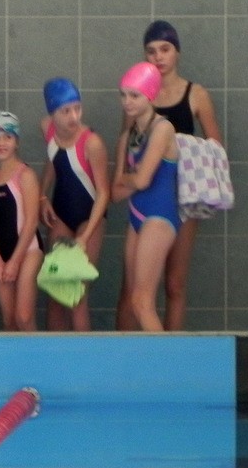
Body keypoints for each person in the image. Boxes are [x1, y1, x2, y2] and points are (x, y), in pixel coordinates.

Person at [116, 20, 223, 331]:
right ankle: (128, 353)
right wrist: (129, 179)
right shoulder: (136, 96)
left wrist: (180, 153)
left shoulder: (195, 94)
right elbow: (128, 145)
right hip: (145, 198)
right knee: (132, 290)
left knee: (174, 283)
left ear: (177, 52)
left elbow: (216, 149)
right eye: (151, 51)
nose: (158, 57)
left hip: (182, 197)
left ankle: (173, 351)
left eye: (165, 49)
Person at [111, 62, 180, 332]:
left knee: (142, 302)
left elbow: (141, 180)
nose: (127, 101)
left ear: (150, 95)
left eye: (134, 95)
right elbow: (116, 192)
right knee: (131, 299)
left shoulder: (163, 129)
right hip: (136, 217)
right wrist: (134, 177)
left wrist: (131, 178)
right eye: (123, 95)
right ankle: (134, 357)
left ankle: (168, 358)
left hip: (159, 217)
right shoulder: (127, 138)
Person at [38, 78, 110, 331]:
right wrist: (42, 196)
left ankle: (86, 355)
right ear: (52, 113)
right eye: (66, 111)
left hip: (89, 217)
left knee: (76, 295)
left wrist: (85, 236)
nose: (74, 116)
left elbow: (104, 193)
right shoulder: (46, 127)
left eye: (78, 108)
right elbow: (53, 160)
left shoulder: (91, 143)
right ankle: (55, 353)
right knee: (56, 292)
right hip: (61, 213)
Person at [0, 112, 44, 331]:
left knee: (23, 317)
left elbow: (31, 222)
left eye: (7, 137)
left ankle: (35, 355)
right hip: (1, 253)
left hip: (28, 251)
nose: (2, 143)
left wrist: (15, 261)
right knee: (9, 321)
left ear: (16, 141)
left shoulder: (25, 175)